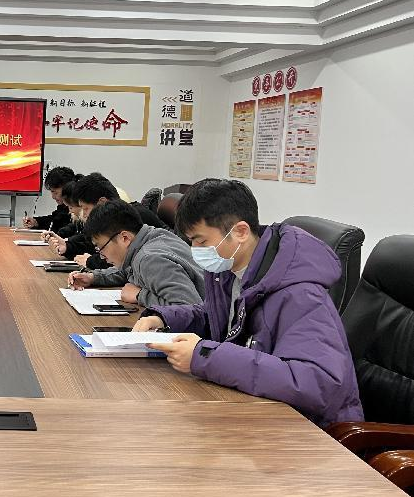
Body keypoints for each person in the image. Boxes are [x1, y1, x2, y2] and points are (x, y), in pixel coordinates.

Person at [133, 178, 363, 427]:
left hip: (308, 431)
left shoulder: (301, 294)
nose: (195, 250)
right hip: (255, 409)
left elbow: (318, 383)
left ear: (240, 232)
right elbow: (220, 317)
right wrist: (164, 318)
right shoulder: (229, 269)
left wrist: (204, 358)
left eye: (201, 242)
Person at [68, 199, 204, 306]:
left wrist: (140, 295)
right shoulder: (151, 237)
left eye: (100, 248)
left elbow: (190, 308)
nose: (102, 256)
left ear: (125, 238)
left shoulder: (150, 259)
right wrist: (93, 277)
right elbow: (129, 271)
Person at [22, 166, 76, 232]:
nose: (53, 197)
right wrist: (36, 222)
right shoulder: (63, 206)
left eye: (55, 192)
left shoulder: (77, 207)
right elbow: (54, 219)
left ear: (66, 188)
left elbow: (58, 224)